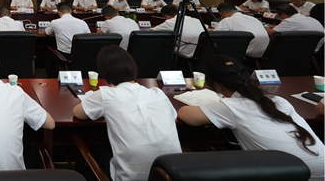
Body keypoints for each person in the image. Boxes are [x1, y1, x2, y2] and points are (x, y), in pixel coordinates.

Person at [178, 55, 324, 180]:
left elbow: (186, 115)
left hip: (296, 176)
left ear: (216, 86)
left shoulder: (232, 107)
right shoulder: (278, 100)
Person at [73, 46, 181, 181]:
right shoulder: (158, 93)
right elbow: (173, 116)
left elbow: (78, 113)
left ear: (104, 73)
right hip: (173, 174)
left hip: (130, 177)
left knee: (97, 146)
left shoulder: (106, 94)